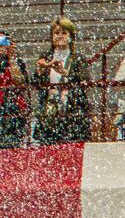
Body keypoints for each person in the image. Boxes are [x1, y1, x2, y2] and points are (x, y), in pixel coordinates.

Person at [30, 17, 89, 146]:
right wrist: (39, 71)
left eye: (64, 33)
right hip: (49, 112)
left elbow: (84, 81)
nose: (60, 36)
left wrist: (65, 74)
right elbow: (35, 84)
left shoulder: (78, 59)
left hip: (72, 113)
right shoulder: (45, 57)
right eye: (57, 33)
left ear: (71, 36)